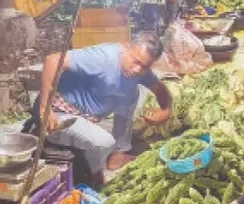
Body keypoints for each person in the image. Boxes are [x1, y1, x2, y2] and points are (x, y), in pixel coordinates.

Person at [37, 33, 172, 185]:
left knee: (132, 92)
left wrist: (166, 111)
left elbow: (160, 89)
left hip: (90, 116)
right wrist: (45, 108)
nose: (136, 69)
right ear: (126, 47)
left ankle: (118, 153)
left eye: (144, 66)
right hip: (61, 114)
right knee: (104, 142)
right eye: (136, 61)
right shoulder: (103, 58)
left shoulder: (140, 70)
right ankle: (95, 177)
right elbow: (52, 60)